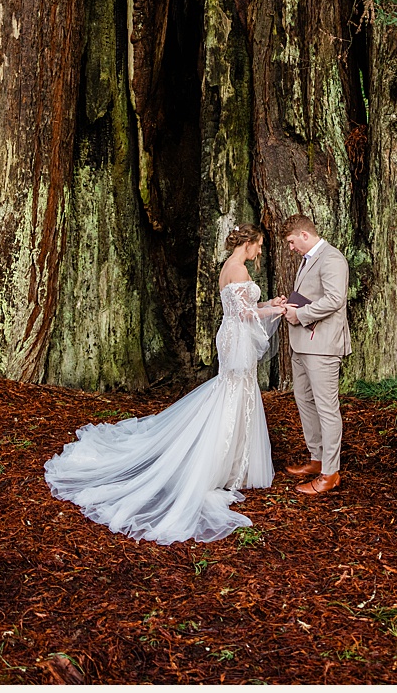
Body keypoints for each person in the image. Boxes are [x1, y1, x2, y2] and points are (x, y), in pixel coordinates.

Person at [45, 226, 284, 544]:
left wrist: (267, 303)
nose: (260, 251)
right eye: (259, 246)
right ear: (249, 243)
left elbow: (242, 309)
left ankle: (232, 463)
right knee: (234, 393)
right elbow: (244, 314)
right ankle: (218, 465)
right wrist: (277, 310)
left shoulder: (229, 266)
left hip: (230, 337)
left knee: (233, 391)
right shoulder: (239, 268)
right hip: (236, 338)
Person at [273, 213, 351, 496]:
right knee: (304, 400)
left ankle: (330, 473)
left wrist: (300, 314)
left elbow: (334, 299)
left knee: (326, 408)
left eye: (292, 242)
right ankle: (316, 458)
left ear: (305, 235)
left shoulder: (332, 259)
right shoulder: (308, 260)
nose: (291, 248)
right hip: (302, 343)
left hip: (323, 346)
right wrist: (290, 304)